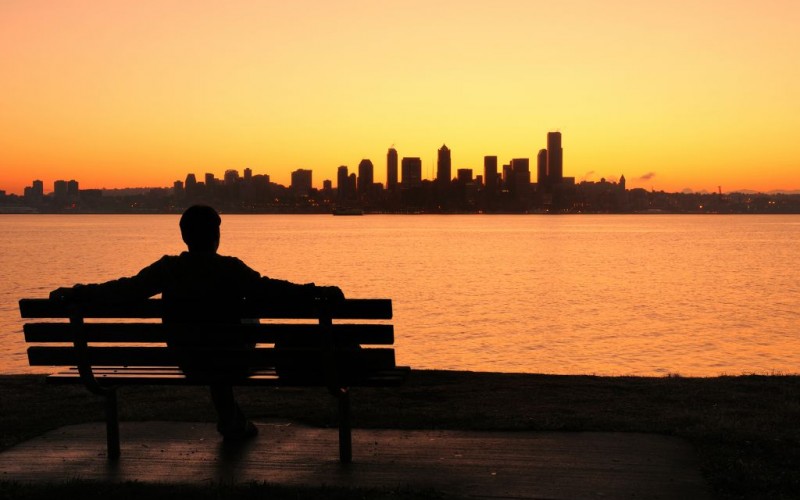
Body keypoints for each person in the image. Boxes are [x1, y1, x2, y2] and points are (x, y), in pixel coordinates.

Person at [50, 205, 344, 442]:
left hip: (187, 357)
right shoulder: (230, 268)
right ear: (216, 235)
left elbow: (123, 289)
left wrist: (78, 292)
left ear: (184, 237)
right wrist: (317, 291)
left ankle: (232, 422)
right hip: (232, 357)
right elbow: (275, 291)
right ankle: (232, 422)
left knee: (211, 341)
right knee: (235, 328)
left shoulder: (168, 268)